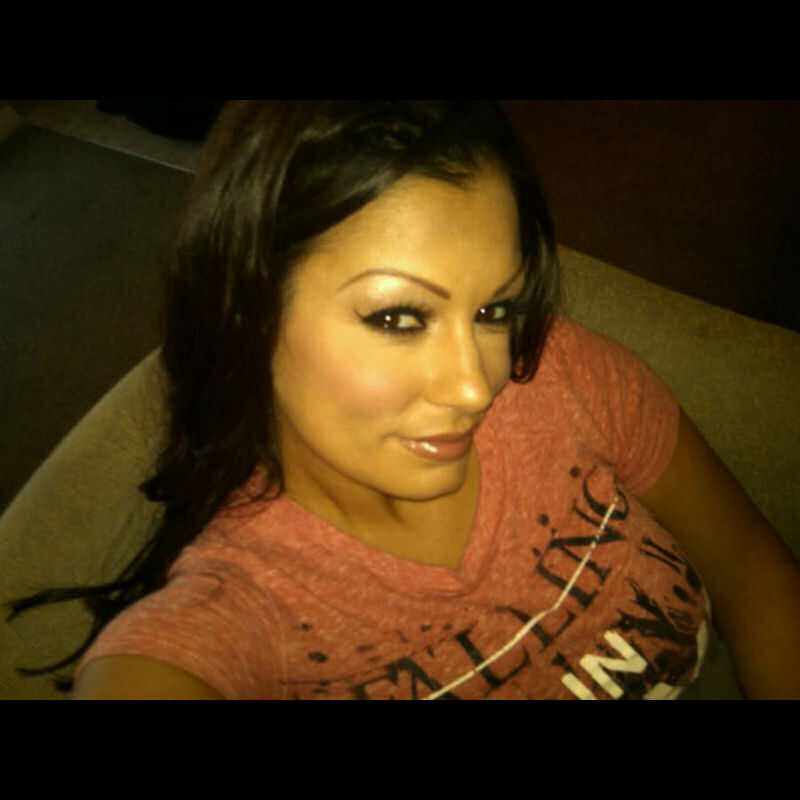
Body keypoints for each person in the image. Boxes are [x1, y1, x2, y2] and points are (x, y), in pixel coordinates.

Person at [13, 100, 800, 699]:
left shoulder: (559, 371)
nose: (478, 384)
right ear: (246, 310)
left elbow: (752, 572)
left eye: (494, 309)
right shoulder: (243, 616)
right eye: (399, 318)